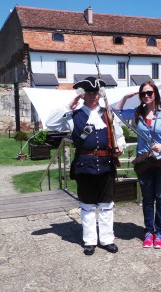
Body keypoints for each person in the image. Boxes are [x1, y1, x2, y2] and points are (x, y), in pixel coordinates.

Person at [46, 76, 126, 256]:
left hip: (106, 164)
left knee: (106, 205)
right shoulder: (74, 115)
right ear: (82, 95)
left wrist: (120, 146)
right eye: (89, 93)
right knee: (88, 206)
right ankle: (89, 241)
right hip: (84, 166)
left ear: (99, 94)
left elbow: (119, 136)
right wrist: (68, 106)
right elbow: (50, 123)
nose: (93, 96)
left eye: (95, 93)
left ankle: (106, 239)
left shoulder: (108, 114)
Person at [114, 81, 161, 249]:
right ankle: (148, 231)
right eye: (143, 93)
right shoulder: (138, 113)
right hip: (145, 164)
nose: (146, 96)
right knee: (147, 198)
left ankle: (158, 232)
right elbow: (115, 114)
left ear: (155, 94)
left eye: (149, 93)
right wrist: (124, 97)